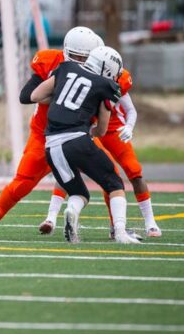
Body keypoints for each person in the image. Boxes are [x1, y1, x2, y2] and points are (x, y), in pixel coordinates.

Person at [0, 26, 102, 240]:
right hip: (45, 136)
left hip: (77, 137)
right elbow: (25, 96)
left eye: (84, 57)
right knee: (22, 183)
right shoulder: (50, 62)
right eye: (76, 55)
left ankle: (118, 227)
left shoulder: (101, 69)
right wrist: (60, 94)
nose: (80, 61)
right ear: (66, 51)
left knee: (110, 178)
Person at [30, 45, 140, 244]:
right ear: (108, 69)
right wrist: (90, 130)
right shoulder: (107, 85)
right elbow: (102, 130)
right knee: (114, 183)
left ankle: (71, 210)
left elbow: (35, 96)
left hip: (51, 145)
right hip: (77, 139)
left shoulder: (65, 68)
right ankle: (121, 232)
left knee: (79, 192)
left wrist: (62, 101)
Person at [40, 66, 161, 239]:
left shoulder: (117, 78)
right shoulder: (87, 75)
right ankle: (51, 218)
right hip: (90, 130)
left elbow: (130, 109)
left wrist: (129, 126)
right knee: (81, 170)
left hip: (113, 131)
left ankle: (150, 223)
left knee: (134, 171)